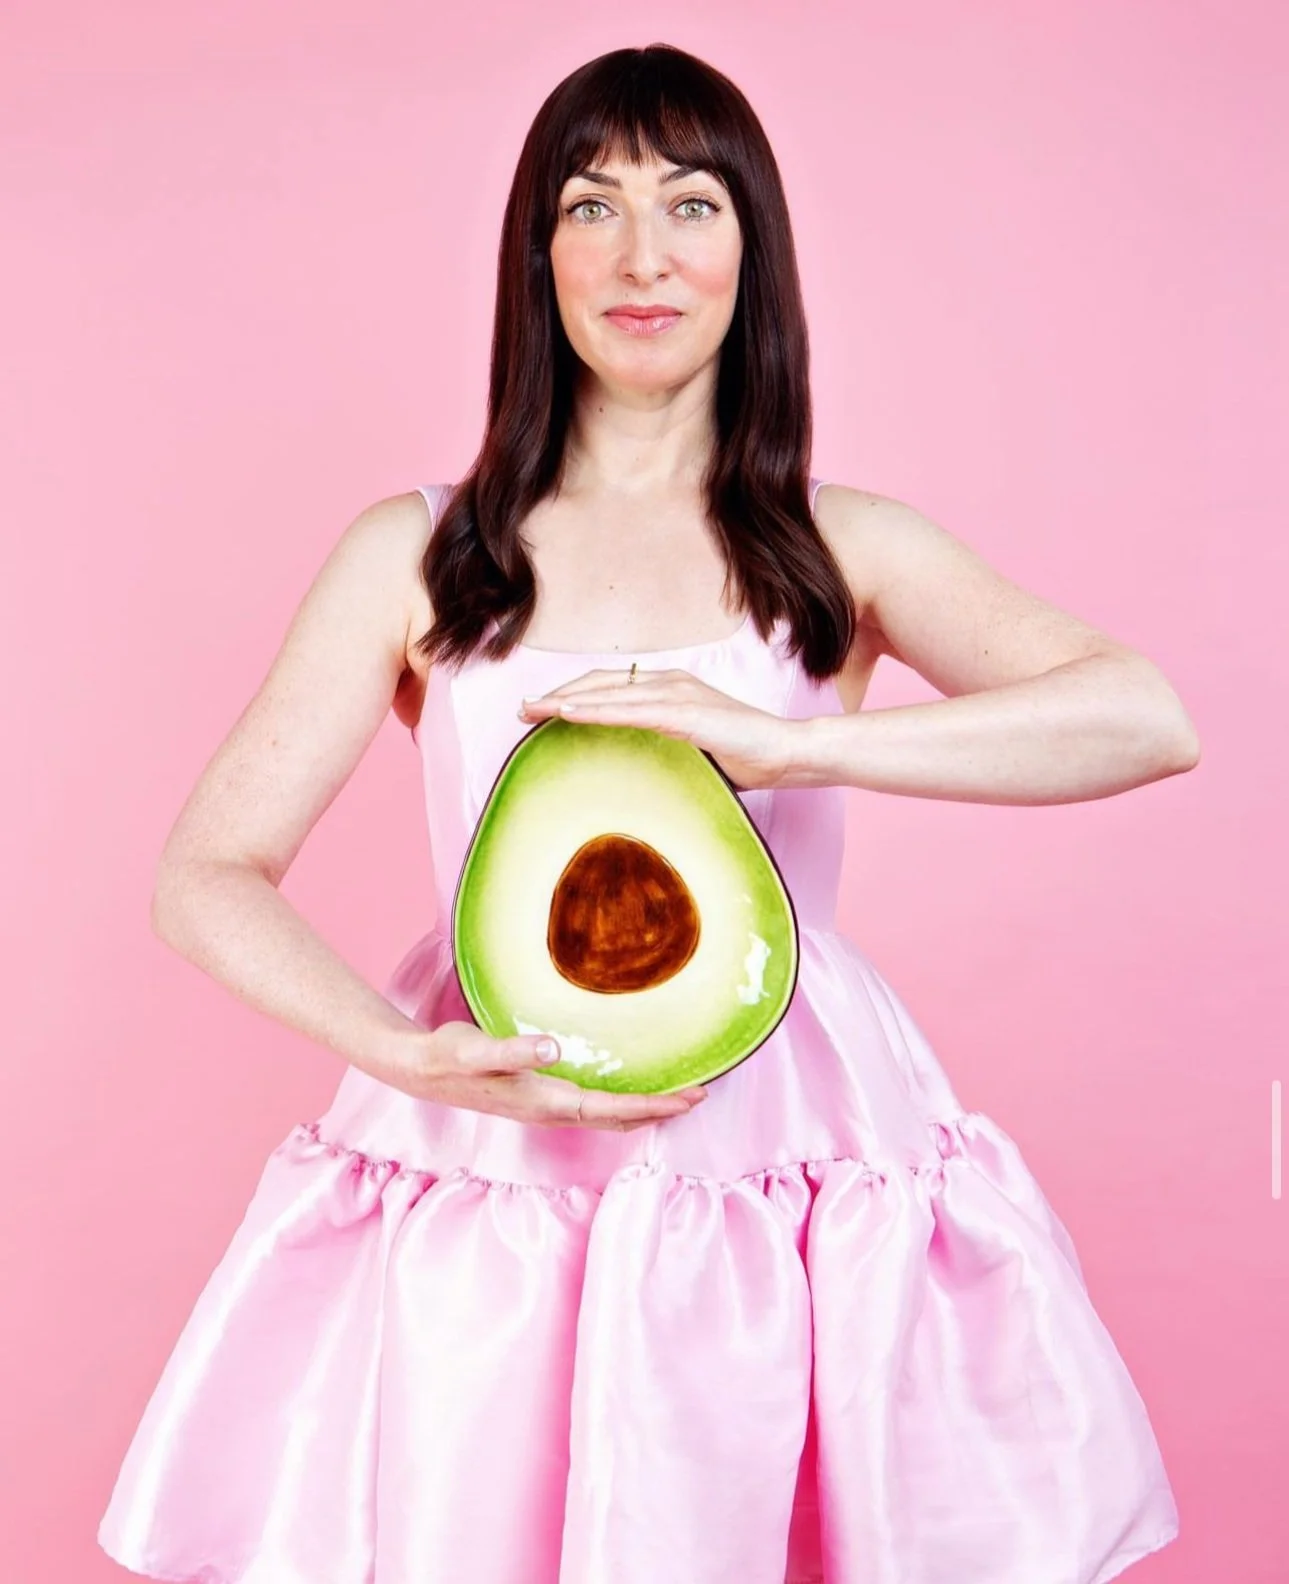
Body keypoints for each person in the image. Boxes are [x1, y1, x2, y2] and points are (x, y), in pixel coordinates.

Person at [97, 42, 1196, 1584]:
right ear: (534, 254)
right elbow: (206, 872)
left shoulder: (834, 545)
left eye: (690, 205)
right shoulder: (423, 554)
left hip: (789, 1123)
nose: (640, 255)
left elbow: (1144, 716)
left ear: (754, 248)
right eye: (589, 206)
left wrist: (794, 748)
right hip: (499, 1110)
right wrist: (405, 1056)